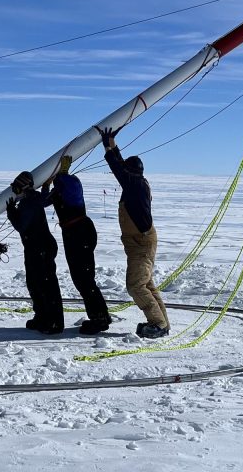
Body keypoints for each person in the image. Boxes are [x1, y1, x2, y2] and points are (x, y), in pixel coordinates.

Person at [99, 126, 170, 338]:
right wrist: (112, 143)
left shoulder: (135, 185)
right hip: (140, 242)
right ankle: (162, 323)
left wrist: (107, 145)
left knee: (136, 286)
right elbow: (121, 166)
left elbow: (117, 167)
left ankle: (158, 324)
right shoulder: (136, 182)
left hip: (141, 243)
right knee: (146, 284)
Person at [41, 155, 111, 335]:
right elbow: (43, 201)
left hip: (79, 233)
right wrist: (46, 185)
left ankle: (100, 319)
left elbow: (69, 187)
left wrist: (62, 175)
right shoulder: (60, 190)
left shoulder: (72, 184)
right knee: (81, 278)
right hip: (74, 233)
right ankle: (100, 315)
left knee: (84, 278)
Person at [6, 170, 64, 334]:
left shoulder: (28, 203)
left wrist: (12, 213)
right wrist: (46, 186)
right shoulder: (34, 198)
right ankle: (42, 316)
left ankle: (53, 322)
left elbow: (21, 226)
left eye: (16, 188)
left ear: (23, 188)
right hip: (37, 247)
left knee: (45, 285)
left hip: (40, 248)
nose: (15, 192)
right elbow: (46, 199)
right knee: (35, 283)